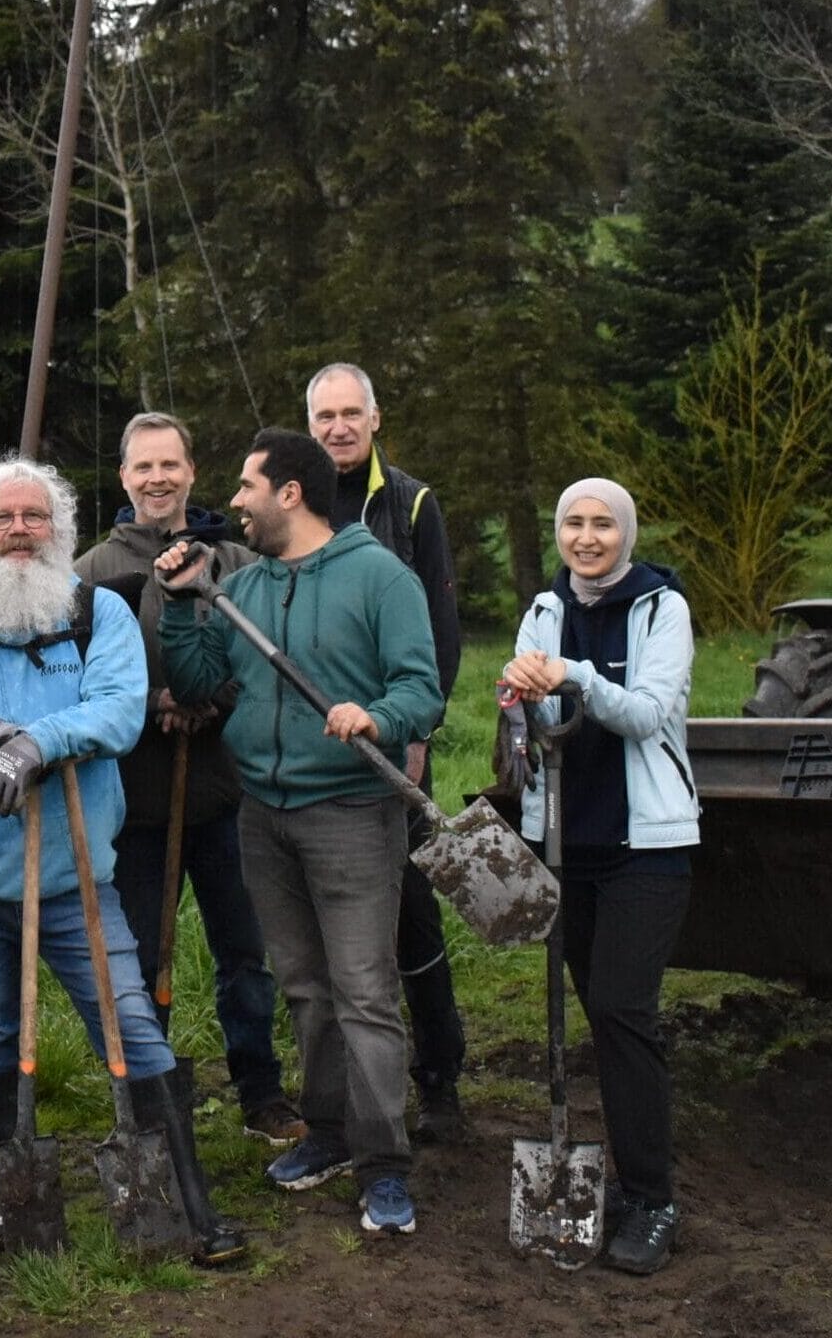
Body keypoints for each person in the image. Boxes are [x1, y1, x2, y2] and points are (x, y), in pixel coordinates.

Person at [0, 456, 244, 1265]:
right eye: (2, 519)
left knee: (130, 1029)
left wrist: (37, 743)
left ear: (60, 531)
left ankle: (190, 1209)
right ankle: (16, 1193)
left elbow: (118, 712)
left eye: (34, 517)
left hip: (75, 882)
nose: (18, 531)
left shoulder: (100, 615)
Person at [157, 428, 443, 1235]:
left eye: (247, 486)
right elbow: (201, 682)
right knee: (306, 989)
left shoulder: (379, 577)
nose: (234, 501)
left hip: (351, 813)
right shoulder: (242, 590)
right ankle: (328, 1133)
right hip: (264, 815)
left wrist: (378, 717)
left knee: (364, 994)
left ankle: (385, 1165)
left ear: (289, 492)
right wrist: (183, 605)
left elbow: (419, 688)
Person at [72, 412, 300, 1145]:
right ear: (124, 478)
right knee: (141, 954)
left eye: (169, 465)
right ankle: (151, 1098)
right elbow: (77, 685)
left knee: (244, 951)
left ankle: (259, 1088)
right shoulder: (91, 573)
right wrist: (151, 705)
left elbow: (265, 659)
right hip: (137, 802)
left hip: (231, 793)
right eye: (143, 467)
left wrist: (213, 702)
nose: (157, 479)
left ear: (191, 471)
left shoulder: (236, 561)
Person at [500, 477, 697, 1276]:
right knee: (599, 1013)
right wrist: (518, 702)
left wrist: (571, 677)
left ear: (625, 532)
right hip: (566, 845)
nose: (586, 538)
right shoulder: (545, 612)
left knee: (622, 1009)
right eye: (573, 524)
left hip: (644, 847)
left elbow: (647, 715)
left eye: (602, 526)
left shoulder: (661, 609)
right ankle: (618, 1184)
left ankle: (652, 1198)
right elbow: (537, 725)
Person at [307, 362, 471, 1150]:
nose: (337, 428)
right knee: (328, 929)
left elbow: (441, 633)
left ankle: (439, 1078)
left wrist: (415, 736)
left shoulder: (408, 503)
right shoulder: (293, 496)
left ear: (375, 420)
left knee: (410, 907)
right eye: (324, 417)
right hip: (314, 747)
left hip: (397, 743)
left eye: (350, 414)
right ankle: (341, 1096)